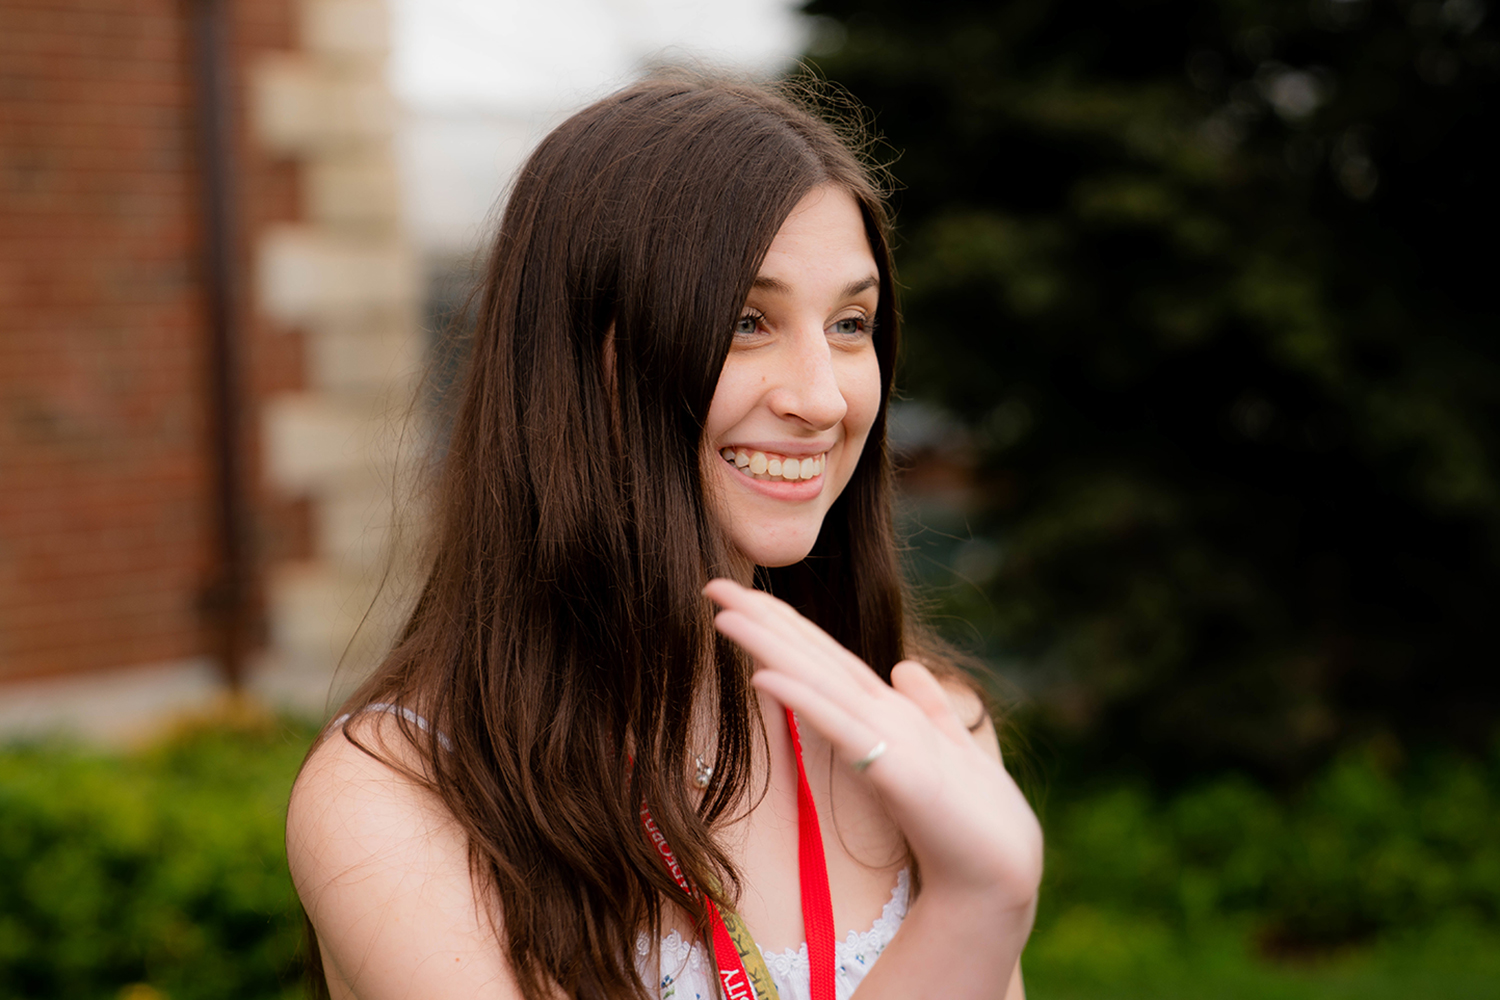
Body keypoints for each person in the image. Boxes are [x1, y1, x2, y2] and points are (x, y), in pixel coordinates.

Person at [286, 72, 1042, 1000]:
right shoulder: (403, 797)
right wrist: (975, 904)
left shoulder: (927, 737)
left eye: (852, 323)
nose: (821, 395)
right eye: (745, 321)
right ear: (583, 360)